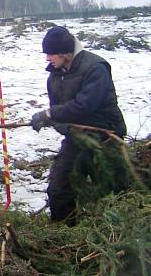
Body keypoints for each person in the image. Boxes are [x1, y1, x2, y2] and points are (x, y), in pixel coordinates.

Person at [30, 25, 127, 223]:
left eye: (50, 54)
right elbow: (59, 111)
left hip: (105, 136)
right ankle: (63, 235)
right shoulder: (55, 76)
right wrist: (50, 120)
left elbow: (85, 105)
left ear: (65, 53)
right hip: (76, 138)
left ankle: (117, 236)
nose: (47, 59)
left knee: (113, 191)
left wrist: (50, 114)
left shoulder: (96, 68)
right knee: (59, 188)